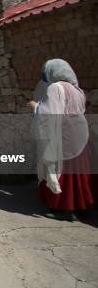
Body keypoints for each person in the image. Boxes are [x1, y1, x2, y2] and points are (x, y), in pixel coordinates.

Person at [29, 59, 94, 221]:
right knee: (78, 172)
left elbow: (49, 115)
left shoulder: (55, 88)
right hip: (80, 136)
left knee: (62, 172)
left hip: (63, 137)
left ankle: (64, 208)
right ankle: (82, 206)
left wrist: (35, 107)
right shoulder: (77, 90)